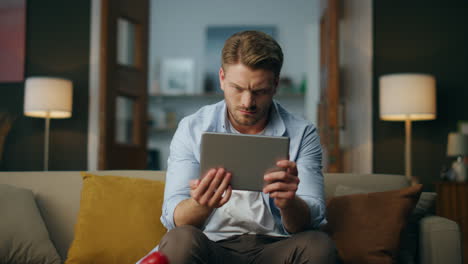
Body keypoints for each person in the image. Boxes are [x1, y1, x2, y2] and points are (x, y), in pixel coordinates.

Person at [141, 30, 336, 264]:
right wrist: (200, 204)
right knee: (179, 239)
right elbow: (174, 217)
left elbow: (313, 219)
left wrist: (289, 203)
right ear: (222, 78)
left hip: (276, 246)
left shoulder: (303, 133)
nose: (247, 102)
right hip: (211, 246)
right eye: (238, 88)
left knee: (319, 246)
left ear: (275, 84)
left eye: (259, 91)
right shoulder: (191, 128)